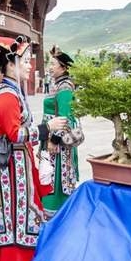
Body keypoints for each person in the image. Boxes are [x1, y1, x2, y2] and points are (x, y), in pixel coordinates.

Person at [0, 35, 69, 261]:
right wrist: (47, 128)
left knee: (17, 220)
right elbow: (15, 135)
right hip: (13, 172)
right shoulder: (7, 95)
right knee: (22, 221)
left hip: (15, 167)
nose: (30, 66)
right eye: (25, 61)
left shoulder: (12, 90)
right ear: (10, 64)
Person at [40, 45, 79, 219]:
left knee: (55, 173)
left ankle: (56, 210)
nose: (49, 66)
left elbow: (64, 118)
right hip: (50, 134)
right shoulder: (58, 84)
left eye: (53, 63)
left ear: (63, 67)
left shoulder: (65, 87)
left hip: (58, 140)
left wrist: (54, 141)